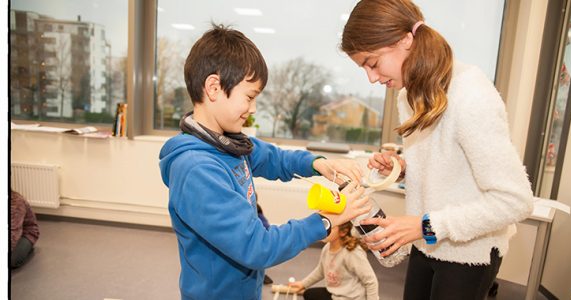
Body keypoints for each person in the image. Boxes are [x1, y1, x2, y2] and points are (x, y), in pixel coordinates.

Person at [158, 23, 370, 300]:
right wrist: (326, 223)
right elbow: (256, 246)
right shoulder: (197, 169)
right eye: (249, 96)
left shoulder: (228, 142)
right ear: (213, 87)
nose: (253, 109)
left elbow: (274, 158)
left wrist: (318, 164)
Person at [340, 1, 534, 299]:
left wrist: (425, 225)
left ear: (405, 40)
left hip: (469, 252)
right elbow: (448, 162)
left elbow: (514, 201)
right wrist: (402, 167)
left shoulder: (470, 94)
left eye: (373, 63)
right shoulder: (407, 96)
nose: (372, 78)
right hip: (426, 240)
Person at [289, 221, 379, 300]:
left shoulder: (352, 253)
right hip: (335, 295)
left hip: (351, 298)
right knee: (309, 294)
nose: (323, 230)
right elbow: (321, 270)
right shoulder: (327, 247)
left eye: (329, 227)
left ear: (343, 232)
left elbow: (371, 281)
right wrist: (303, 284)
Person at [10, 190, 40, 269]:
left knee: (12, 259)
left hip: (25, 233)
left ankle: (27, 247)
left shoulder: (15, 203)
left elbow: (13, 233)